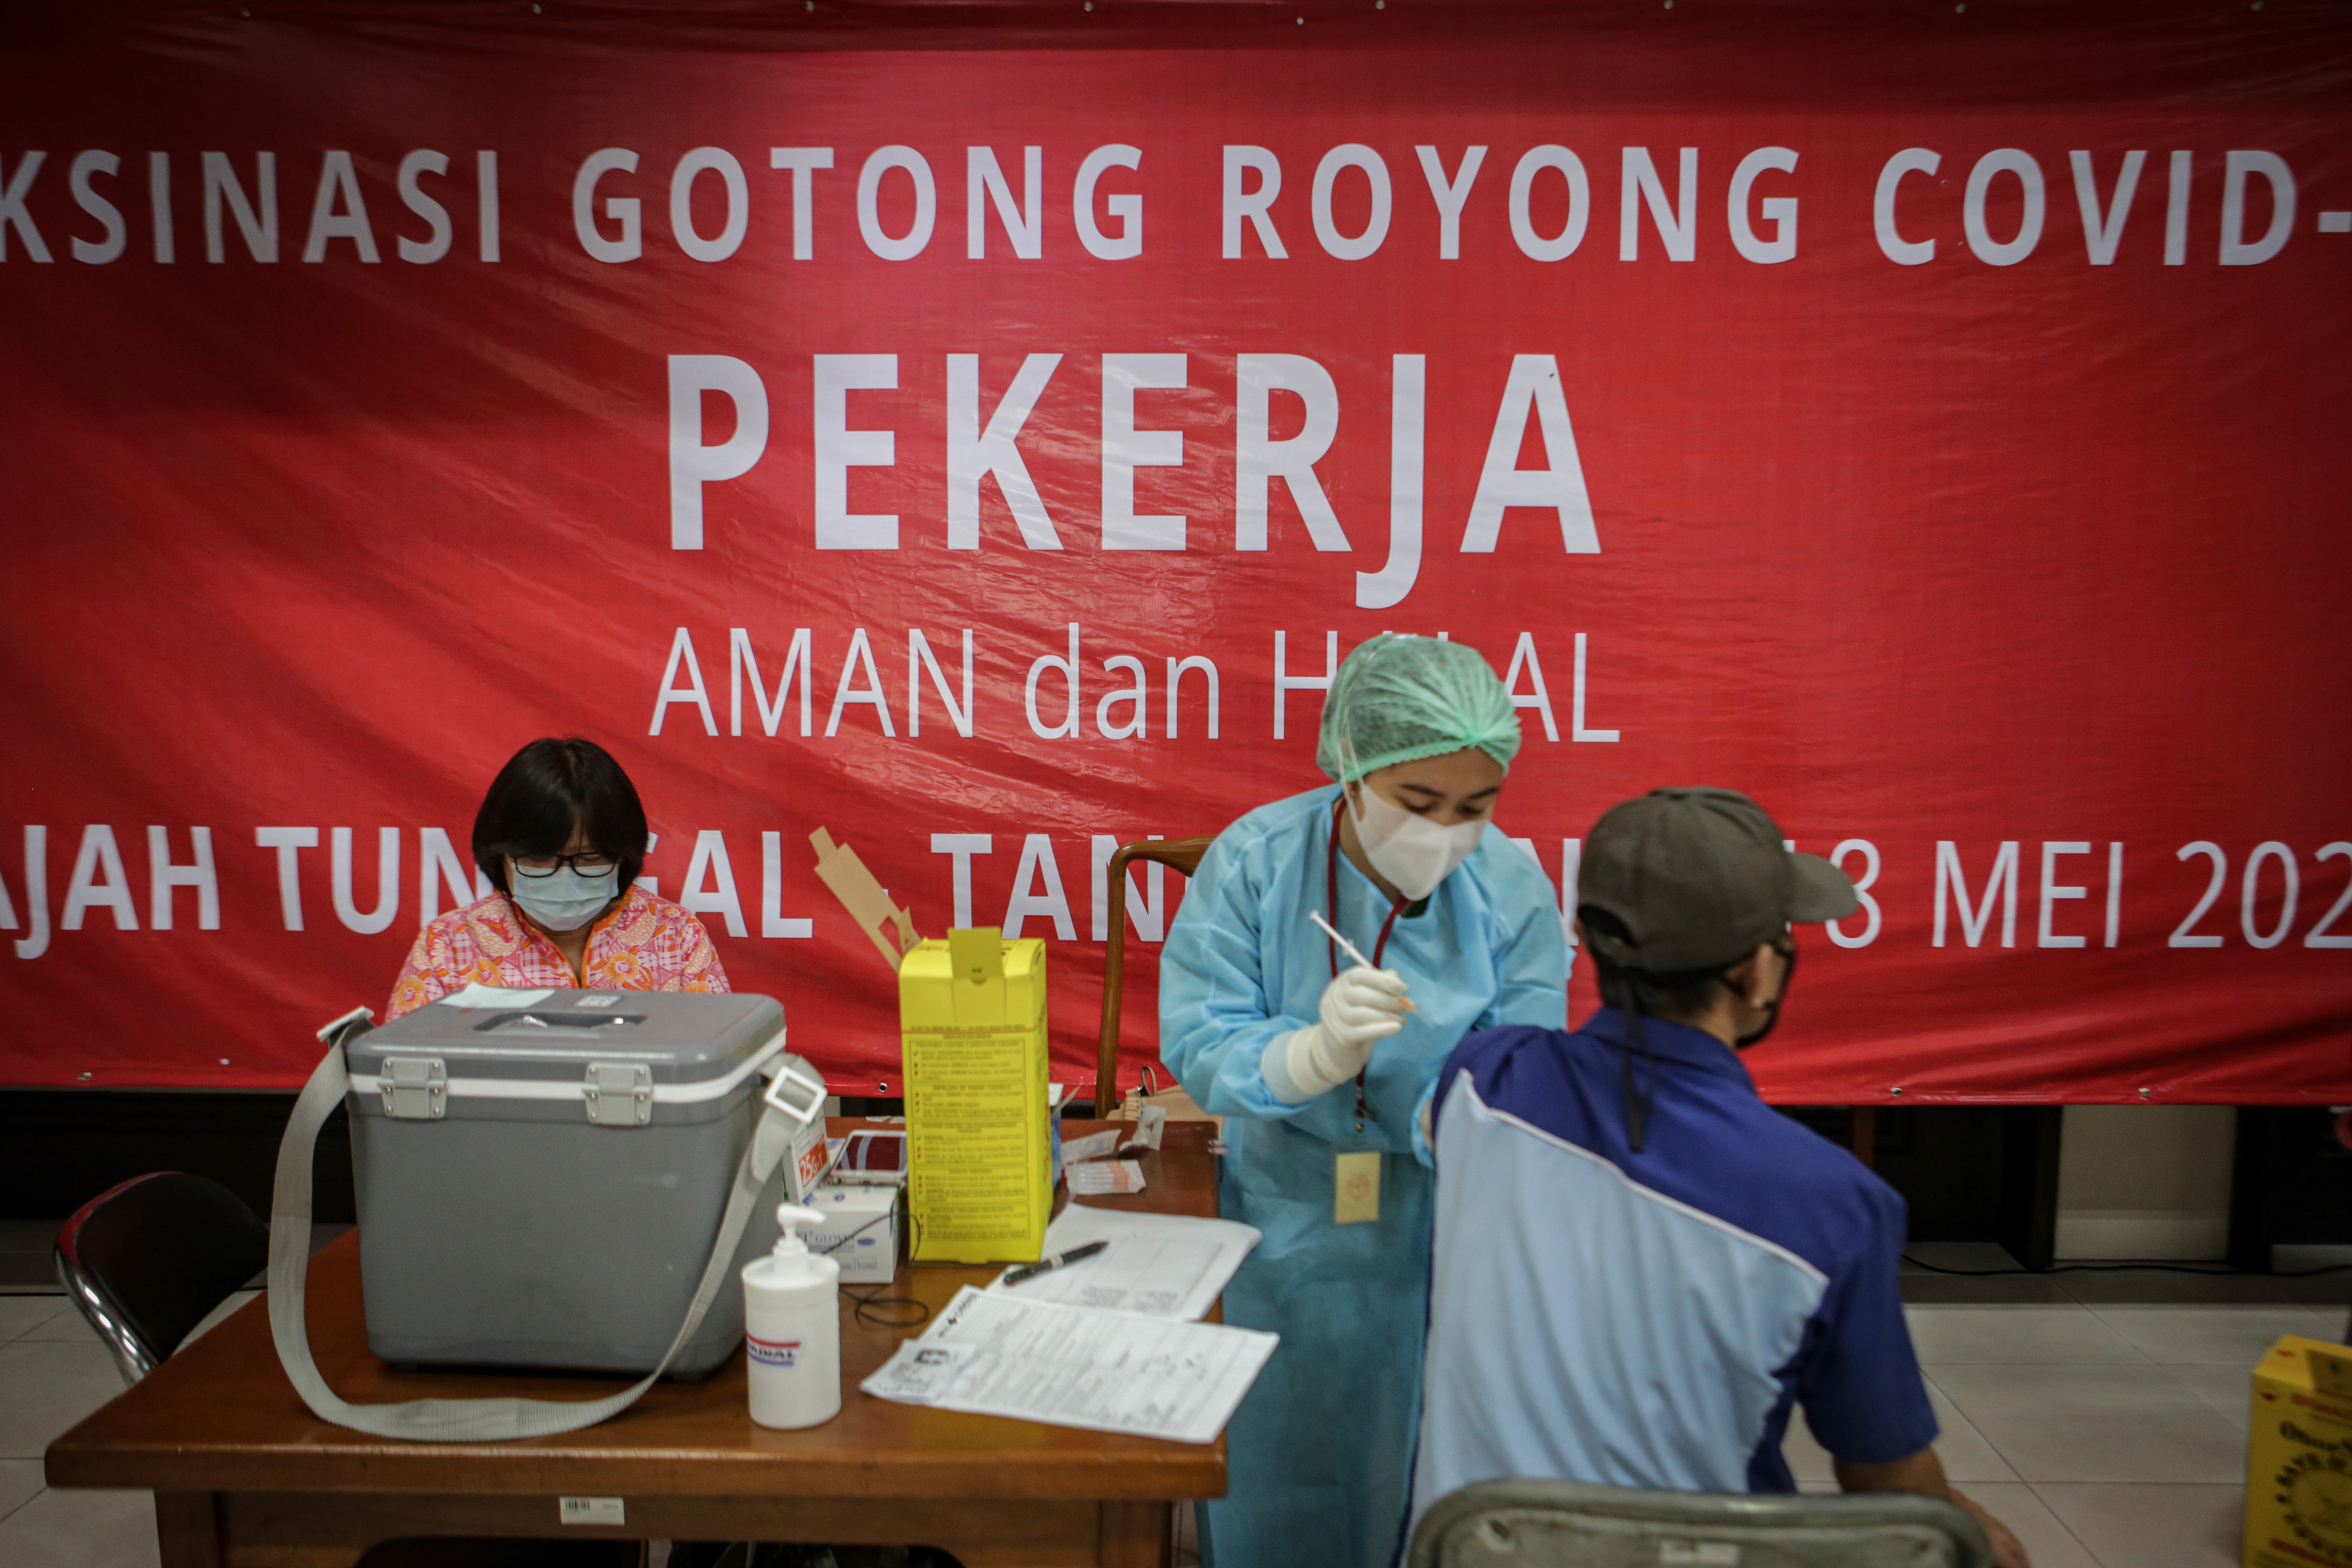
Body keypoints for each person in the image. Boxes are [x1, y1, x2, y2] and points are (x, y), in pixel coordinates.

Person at [1408, 787, 2029, 1568]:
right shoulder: (1831, 1202)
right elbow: (1888, 1484)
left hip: (1466, 1549)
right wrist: (1967, 1523)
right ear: (1758, 970)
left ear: (1584, 936)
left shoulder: (1480, 1081)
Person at [1158, 633, 1569, 1568]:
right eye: (1417, 802)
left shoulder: (1507, 886)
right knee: (1284, 1450)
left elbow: (1530, 1067)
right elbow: (1201, 1029)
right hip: (1283, 1208)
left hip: (1448, 1212)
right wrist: (1306, 1054)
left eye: (1476, 805)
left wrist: (1439, 1112)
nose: (1445, 833)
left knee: (1427, 1453)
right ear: (1351, 765)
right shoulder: (1258, 862)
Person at [387, 737, 728, 1017]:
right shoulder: (448, 948)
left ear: (623, 855)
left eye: (589, 857)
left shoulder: (676, 937)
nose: (565, 877)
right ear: (499, 856)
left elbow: (719, 1064)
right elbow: (400, 1076)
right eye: (538, 858)